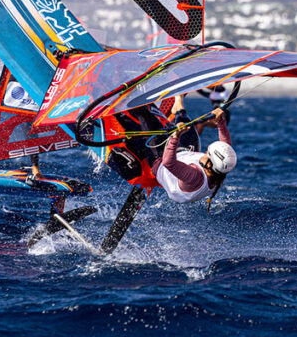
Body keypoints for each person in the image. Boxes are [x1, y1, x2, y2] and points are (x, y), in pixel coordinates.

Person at [100, 94, 237, 253]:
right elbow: (225, 144)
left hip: (160, 162)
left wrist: (175, 137)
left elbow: (168, 162)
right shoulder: (219, 168)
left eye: (208, 153)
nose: (206, 151)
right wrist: (221, 122)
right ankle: (178, 105)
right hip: (185, 154)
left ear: (209, 163)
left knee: (144, 115)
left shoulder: (195, 176)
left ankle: (113, 103)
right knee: (187, 123)